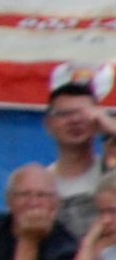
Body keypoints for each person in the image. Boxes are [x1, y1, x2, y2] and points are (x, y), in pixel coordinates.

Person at [43, 77, 104, 238]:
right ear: (48, 124)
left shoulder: (111, 174)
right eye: (64, 114)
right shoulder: (41, 185)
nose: (75, 120)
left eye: (83, 113)